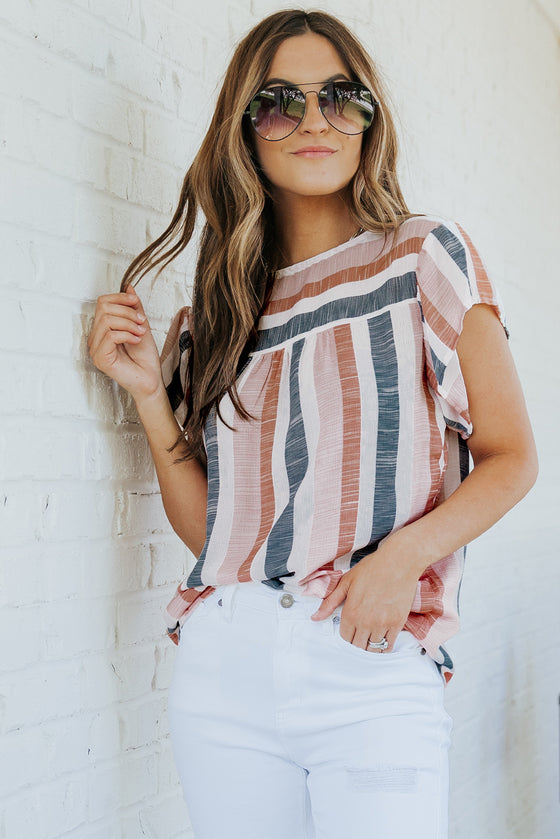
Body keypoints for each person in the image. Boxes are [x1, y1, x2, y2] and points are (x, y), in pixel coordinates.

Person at [87, 9, 538, 838]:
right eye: (279, 103)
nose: (313, 121)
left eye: (340, 97)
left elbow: (513, 457)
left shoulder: (423, 257)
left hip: (370, 658)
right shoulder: (220, 315)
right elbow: (215, 531)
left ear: (370, 117)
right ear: (244, 130)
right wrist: (152, 395)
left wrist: (403, 556)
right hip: (225, 669)